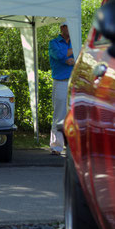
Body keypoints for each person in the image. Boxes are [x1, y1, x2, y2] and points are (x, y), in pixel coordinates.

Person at [48, 22, 75, 155]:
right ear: (62, 28)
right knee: (59, 115)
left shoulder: (75, 41)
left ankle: (73, 147)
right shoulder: (53, 43)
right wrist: (69, 56)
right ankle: (56, 146)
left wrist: (68, 58)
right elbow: (59, 55)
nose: (69, 29)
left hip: (75, 83)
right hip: (61, 82)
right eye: (67, 26)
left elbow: (81, 55)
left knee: (76, 115)